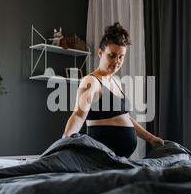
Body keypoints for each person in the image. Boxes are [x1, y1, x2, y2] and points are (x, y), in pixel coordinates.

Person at [62, 22, 164, 158]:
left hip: (120, 159)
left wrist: (150, 138)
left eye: (121, 56)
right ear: (100, 52)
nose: (117, 61)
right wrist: (65, 139)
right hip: (103, 157)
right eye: (112, 55)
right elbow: (79, 115)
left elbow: (125, 117)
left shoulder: (116, 82)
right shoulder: (91, 81)